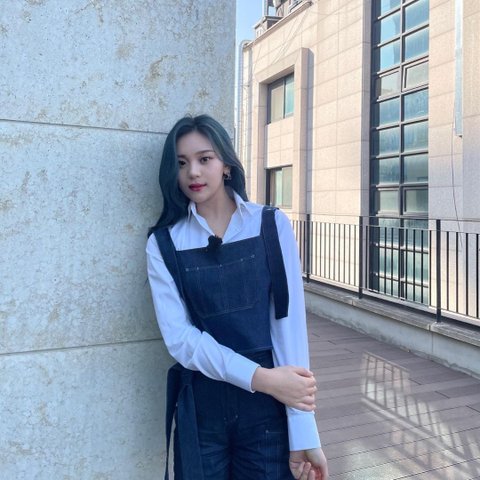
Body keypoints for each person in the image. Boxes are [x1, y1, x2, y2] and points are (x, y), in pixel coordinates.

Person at [146, 114, 328, 479]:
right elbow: (181, 340)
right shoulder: (163, 243)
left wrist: (303, 431)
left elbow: (288, 324)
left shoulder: (270, 224)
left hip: (267, 411)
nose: (193, 172)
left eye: (205, 158)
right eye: (181, 163)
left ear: (227, 164)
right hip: (203, 407)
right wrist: (262, 378)